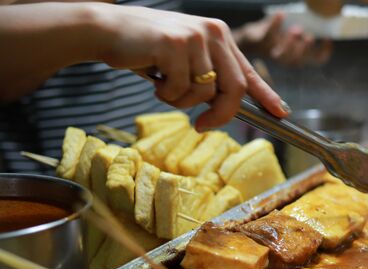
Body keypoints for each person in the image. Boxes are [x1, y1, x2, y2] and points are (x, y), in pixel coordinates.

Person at [0, 1, 332, 172]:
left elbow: (157, 29)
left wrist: (237, 43)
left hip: (176, 162)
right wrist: (97, 26)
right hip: (66, 191)